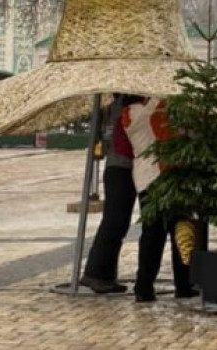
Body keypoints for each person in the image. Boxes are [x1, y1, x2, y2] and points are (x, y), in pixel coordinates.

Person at [121, 96, 197, 302]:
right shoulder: (133, 112)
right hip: (153, 177)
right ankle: (147, 287)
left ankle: (180, 284)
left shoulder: (153, 110)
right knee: (155, 234)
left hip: (164, 176)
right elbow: (152, 116)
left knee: (178, 231)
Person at [80, 94, 139, 293]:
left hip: (118, 166)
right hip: (121, 167)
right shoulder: (123, 107)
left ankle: (105, 275)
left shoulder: (114, 105)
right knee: (115, 221)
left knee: (117, 222)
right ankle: (95, 274)